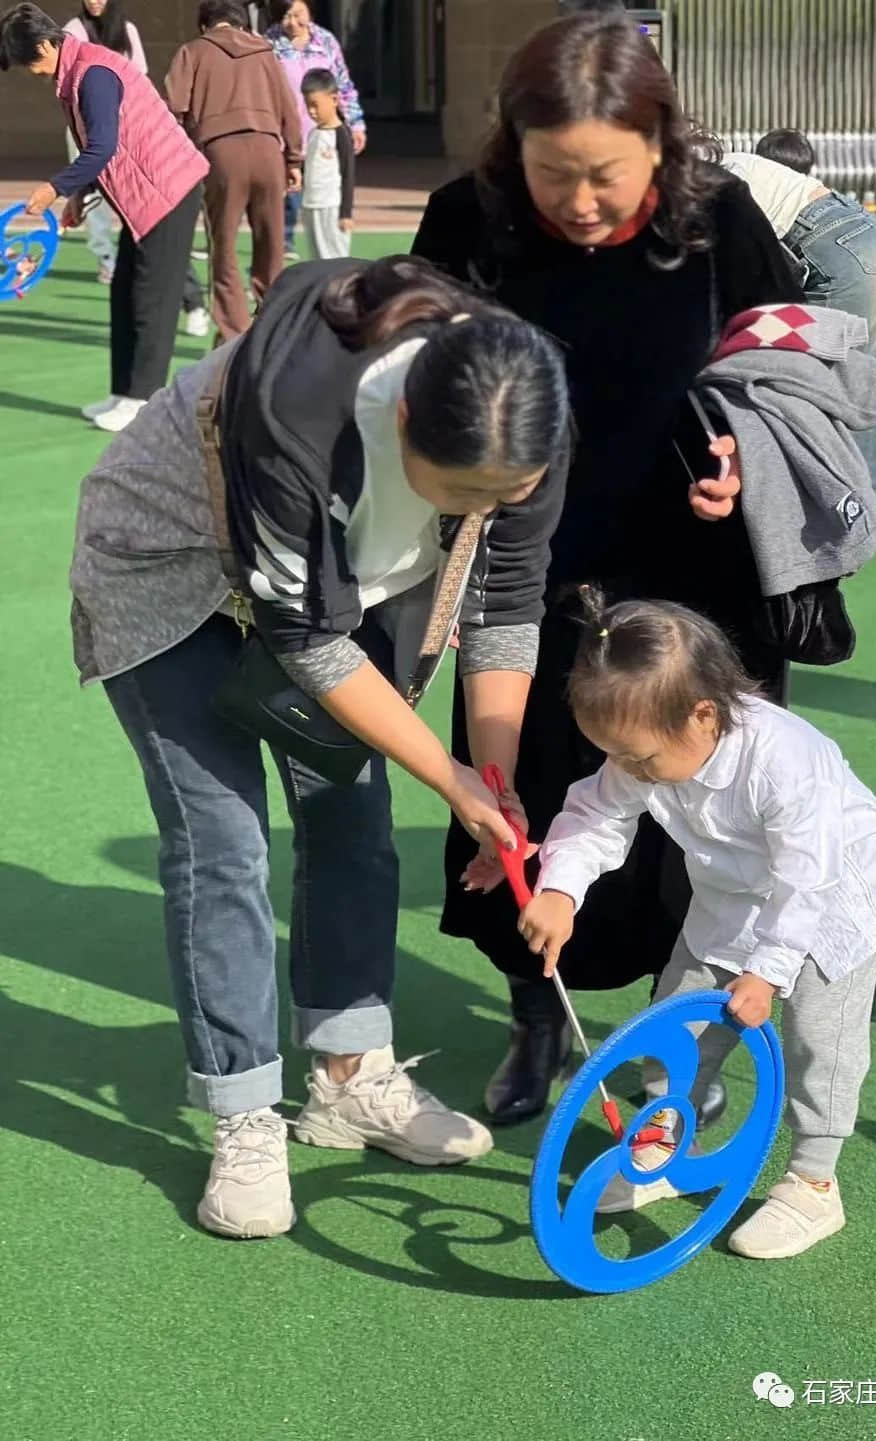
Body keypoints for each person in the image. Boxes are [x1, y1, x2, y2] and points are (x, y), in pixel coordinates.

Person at [69, 254, 572, 1238]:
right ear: (400, 426)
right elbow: (303, 636)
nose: (481, 513)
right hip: (171, 575)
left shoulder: (525, 403)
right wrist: (449, 774)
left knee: (354, 815)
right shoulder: (303, 401)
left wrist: (495, 788)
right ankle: (242, 1116)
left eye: (502, 496)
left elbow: (507, 604)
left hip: (332, 593)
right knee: (223, 844)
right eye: (461, 493)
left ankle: (347, 1080)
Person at [412, 10, 807, 1126]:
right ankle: (538, 1015)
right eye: (554, 175)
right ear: (512, 149)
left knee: (709, 813)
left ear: (660, 146)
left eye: (606, 177)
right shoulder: (467, 220)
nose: (581, 204)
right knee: (526, 793)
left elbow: (798, 366)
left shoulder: (716, 217)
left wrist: (750, 462)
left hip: (702, 570)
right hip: (527, 569)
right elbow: (415, 383)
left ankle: (681, 1038)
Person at [518, 592, 876, 1258]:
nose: (630, 771)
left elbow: (807, 876)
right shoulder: (650, 742)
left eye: (639, 760)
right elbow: (595, 816)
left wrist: (768, 970)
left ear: (703, 714)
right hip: (727, 896)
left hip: (831, 903)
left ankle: (814, 1181)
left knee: (821, 1042)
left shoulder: (784, 759)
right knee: (678, 1021)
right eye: (617, 756)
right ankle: (669, 1139)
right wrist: (559, 889)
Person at [1, 3, 209, 432]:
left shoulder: (93, 73)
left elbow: (102, 148)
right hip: (145, 199)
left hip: (171, 191)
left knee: (152, 299)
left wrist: (55, 189)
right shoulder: (76, 71)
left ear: (44, 45)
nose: (30, 72)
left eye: (28, 62)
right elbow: (107, 150)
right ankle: (122, 393)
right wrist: (80, 194)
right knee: (124, 293)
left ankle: (143, 401)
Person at [718, 140, 876, 493]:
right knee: (869, 378)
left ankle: (826, 505)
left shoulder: (713, 183)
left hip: (836, 250)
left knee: (813, 390)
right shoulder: (738, 164)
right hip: (875, 236)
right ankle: (861, 502)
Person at [165, 0, 302, 341]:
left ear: (204, 25)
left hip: (221, 154)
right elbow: (290, 110)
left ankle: (232, 332)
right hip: (269, 151)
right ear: (243, 25)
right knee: (271, 245)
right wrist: (294, 161)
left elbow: (172, 109)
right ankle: (272, 324)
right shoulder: (266, 52)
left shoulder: (193, 51)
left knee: (223, 246)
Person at [265, 0, 365, 260]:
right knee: (289, 188)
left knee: (323, 183)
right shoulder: (270, 42)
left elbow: (342, 85)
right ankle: (285, 240)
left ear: (310, 10)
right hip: (285, 131)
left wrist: (355, 123)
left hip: (320, 131)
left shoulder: (326, 41)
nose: (292, 22)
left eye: (298, 14)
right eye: (285, 16)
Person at [61, 0, 144, 283]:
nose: (94, 0)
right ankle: (105, 257)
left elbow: (140, 77)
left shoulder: (127, 30)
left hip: (125, 127)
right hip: (85, 127)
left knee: (128, 192)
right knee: (89, 194)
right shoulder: (73, 30)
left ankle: (132, 254)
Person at [299, 67, 353, 259]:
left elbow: (348, 175)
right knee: (317, 255)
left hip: (331, 206)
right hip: (311, 205)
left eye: (316, 105)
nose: (312, 112)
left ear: (334, 99)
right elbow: (309, 165)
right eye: (308, 106)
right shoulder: (314, 133)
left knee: (334, 256)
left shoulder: (342, 134)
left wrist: (346, 213)